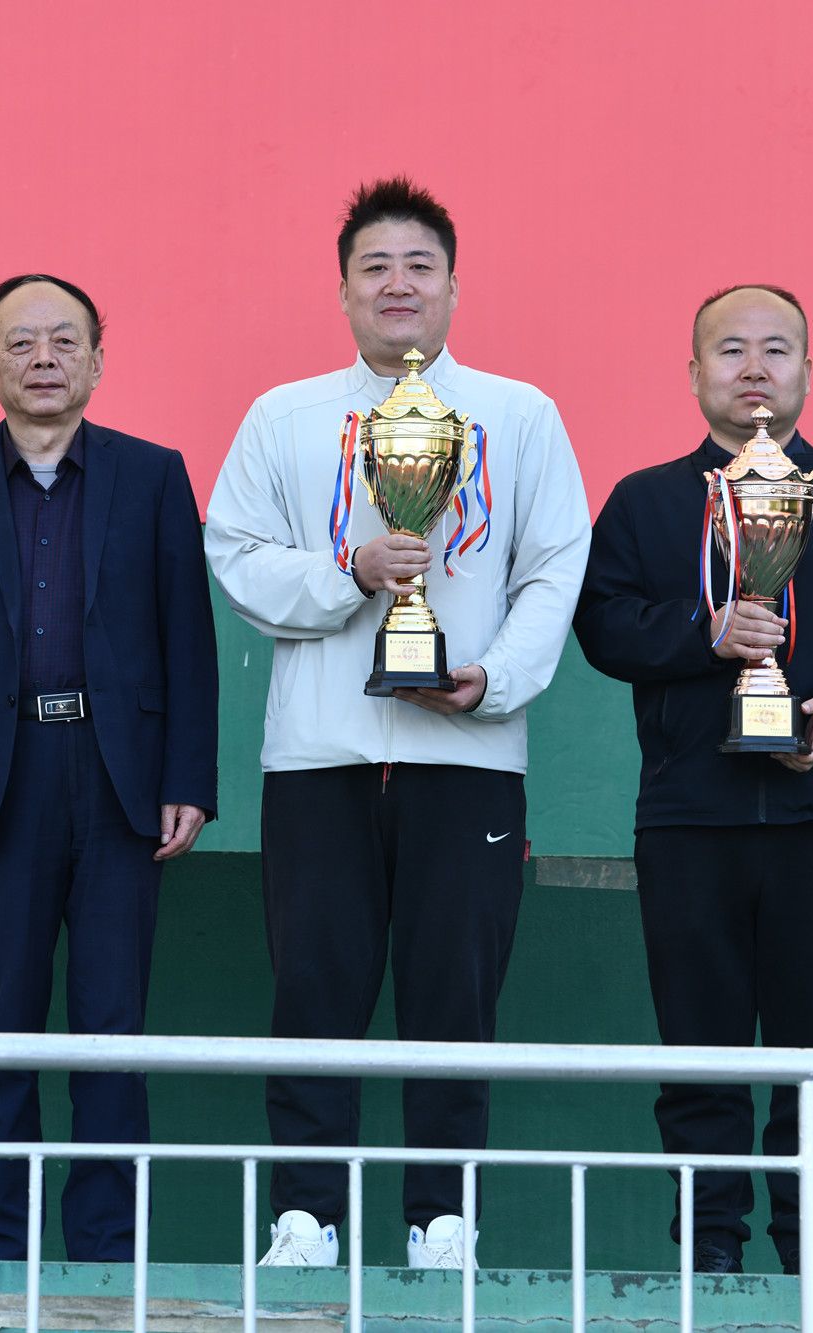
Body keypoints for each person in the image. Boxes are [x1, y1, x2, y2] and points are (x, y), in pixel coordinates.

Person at [203, 178, 590, 1269]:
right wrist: (351, 571)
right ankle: (306, 1218)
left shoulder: (517, 415)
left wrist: (490, 679)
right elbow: (235, 554)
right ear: (342, 292)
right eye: (374, 266)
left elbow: (553, 567)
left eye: (419, 265)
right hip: (319, 756)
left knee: (453, 994)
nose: (397, 284)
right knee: (311, 989)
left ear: (454, 287)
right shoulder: (283, 417)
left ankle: (442, 1219)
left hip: (466, 756)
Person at [572, 284, 813, 1277]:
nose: (752, 368)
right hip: (688, 818)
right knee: (699, 1053)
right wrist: (699, 634)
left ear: (807, 372)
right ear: (693, 372)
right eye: (729, 349)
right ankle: (710, 1252)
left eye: (774, 349)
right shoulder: (646, 500)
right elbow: (601, 623)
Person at [0, 274, 218, 1262]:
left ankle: (106, 1254)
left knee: (112, 1031)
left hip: (118, 781)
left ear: (97, 362)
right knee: (1, 1031)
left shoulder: (152, 476)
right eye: (21, 342)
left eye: (64, 341)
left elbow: (187, 639)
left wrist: (187, 779)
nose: (43, 358)